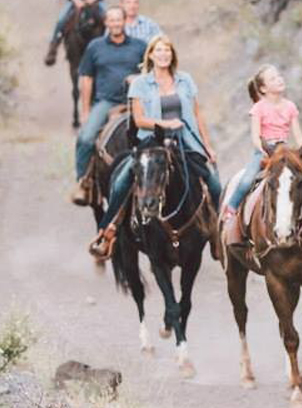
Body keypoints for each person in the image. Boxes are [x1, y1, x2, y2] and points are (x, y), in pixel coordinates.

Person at [91, 35, 222, 254]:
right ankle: (106, 230)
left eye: (167, 51)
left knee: (213, 182)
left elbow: (197, 114)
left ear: (173, 55)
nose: (164, 55)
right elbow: (139, 119)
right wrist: (164, 123)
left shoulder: (185, 80)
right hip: (153, 141)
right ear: (150, 55)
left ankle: (219, 233)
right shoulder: (140, 84)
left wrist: (207, 145)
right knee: (122, 180)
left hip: (185, 138)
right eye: (159, 51)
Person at [219, 65, 302, 241]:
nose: (279, 80)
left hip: (286, 151)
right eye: (273, 79)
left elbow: (298, 135)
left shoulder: (290, 106)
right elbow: (255, 137)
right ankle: (231, 213)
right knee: (247, 180)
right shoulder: (259, 108)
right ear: (263, 88)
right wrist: (266, 152)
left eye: (279, 76)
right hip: (265, 152)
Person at [71, 6, 146, 205]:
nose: (115, 24)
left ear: (125, 21)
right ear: (106, 23)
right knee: (86, 138)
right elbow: (86, 79)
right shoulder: (95, 47)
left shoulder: (140, 46)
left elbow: (150, 75)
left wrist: (137, 79)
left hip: (134, 102)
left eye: (118, 20)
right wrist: (85, 110)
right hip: (106, 101)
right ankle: (83, 183)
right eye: (111, 20)